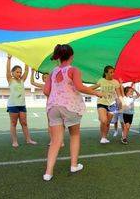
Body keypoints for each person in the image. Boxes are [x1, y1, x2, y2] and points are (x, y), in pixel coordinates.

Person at [43, 44, 102, 181]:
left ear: (59, 56)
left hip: (53, 107)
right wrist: (96, 93)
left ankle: (48, 172)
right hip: (69, 107)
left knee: (56, 141)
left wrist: (57, 95)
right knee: (74, 135)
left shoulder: (53, 72)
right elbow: (80, 87)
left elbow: (46, 91)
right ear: (71, 56)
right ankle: (74, 165)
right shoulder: (74, 70)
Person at [6, 55, 37, 147]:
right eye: (17, 72)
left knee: (24, 123)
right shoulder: (10, 80)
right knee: (13, 123)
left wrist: (26, 60)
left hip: (22, 105)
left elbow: (26, 71)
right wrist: (9, 59)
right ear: (12, 73)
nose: (19, 74)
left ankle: (28, 140)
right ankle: (14, 141)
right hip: (13, 105)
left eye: (20, 72)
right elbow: (7, 70)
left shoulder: (22, 80)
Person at [30, 69, 64, 147]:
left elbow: (60, 74)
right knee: (50, 124)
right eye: (44, 77)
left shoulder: (55, 83)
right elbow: (32, 82)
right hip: (49, 106)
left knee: (60, 124)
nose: (46, 78)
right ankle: (52, 140)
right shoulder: (43, 86)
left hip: (58, 105)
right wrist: (32, 72)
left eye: (47, 77)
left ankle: (61, 141)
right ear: (43, 79)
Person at [91, 66, 121, 144]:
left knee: (107, 122)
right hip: (101, 103)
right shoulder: (101, 80)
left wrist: (120, 101)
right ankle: (102, 135)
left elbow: (119, 94)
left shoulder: (116, 82)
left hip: (112, 105)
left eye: (113, 72)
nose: (113, 74)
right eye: (111, 72)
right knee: (104, 120)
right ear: (106, 73)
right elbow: (92, 88)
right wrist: (95, 93)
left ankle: (104, 138)